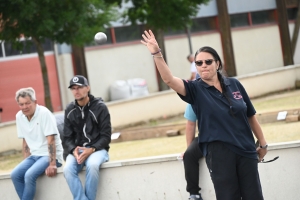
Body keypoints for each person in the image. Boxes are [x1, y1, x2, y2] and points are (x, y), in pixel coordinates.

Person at [141, 30, 268, 200]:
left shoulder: (234, 84)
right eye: (199, 63)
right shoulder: (195, 89)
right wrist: (157, 54)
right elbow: (169, 80)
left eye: (208, 61)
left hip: (246, 149)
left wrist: (263, 144)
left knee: (254, 197)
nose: (203, 65)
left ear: (218, 64)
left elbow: (251, 115)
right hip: (219, 153)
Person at [62, 75, 111, 200]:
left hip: (98, 149)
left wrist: (92, 149)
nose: (76, 91)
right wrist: (73, 150)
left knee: (93, 165)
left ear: (87, 88)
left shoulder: (100, 107)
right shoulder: (69, 109)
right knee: (67, 169)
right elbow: (67, 138)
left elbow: (106, 136)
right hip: (77, 151)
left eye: (79, 87)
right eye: (73, 88)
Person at [11, 87, 63, 200]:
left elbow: (51, 140)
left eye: (27, 103)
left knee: (29, 175)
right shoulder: (19, 116)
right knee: (15, 175)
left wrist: (53, 164)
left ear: (35, 102)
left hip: (49, 156)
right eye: (21, 104)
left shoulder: (44, 113)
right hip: (34, 156)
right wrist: (26, 162)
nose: (24, 107)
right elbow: (25, 142)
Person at [183, 104, 203, 200]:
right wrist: (189, 147)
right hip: (205, 137)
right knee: (189, 155)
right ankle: (194, 194)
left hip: (227, 136)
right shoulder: (194, 97)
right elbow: (191, 123)